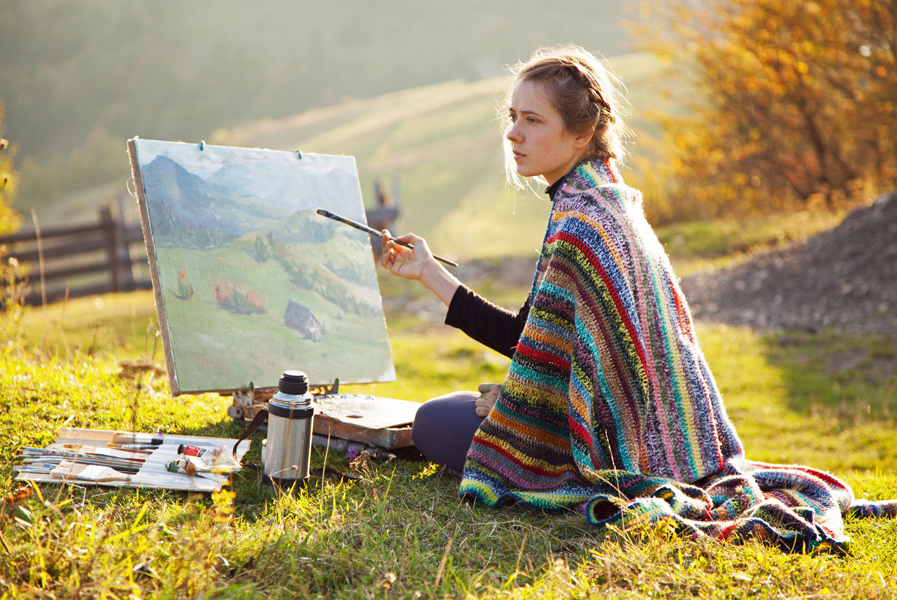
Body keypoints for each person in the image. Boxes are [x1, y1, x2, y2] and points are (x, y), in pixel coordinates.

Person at [380, 45, 894, 552]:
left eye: (533, 120)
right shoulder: (607, 196)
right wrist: (428, 270)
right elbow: (542, 339)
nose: (513, 133)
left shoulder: (581, 220)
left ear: (582, 132)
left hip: (600, 441)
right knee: (453, 411)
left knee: (432, 421)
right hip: (656, 431)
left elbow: (524, 343)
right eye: (512, 116)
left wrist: (431, 277)